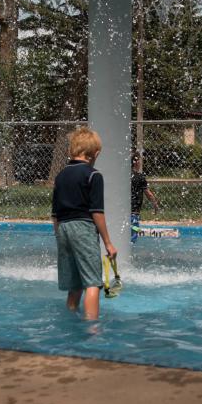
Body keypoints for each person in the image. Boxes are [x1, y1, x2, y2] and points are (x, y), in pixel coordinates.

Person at [51, 126, 117, 320]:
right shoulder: (93, 175)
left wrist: (60, 237)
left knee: (75, 284)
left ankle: (70, 316)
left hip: (62, 229)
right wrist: (108, 243)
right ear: (95, 153)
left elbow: (54, 214)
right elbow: (97, 212)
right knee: (92, 283)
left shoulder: (60, 176)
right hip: (83, 228)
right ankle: (92, 328)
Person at [129, 154, 160, 243]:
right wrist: (155, 206)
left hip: (124, 213)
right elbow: (149, 195)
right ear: (136, 162)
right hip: (134, 214)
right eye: (140, 161)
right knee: (132, 237)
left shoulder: (125, 176)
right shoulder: (140, 177)